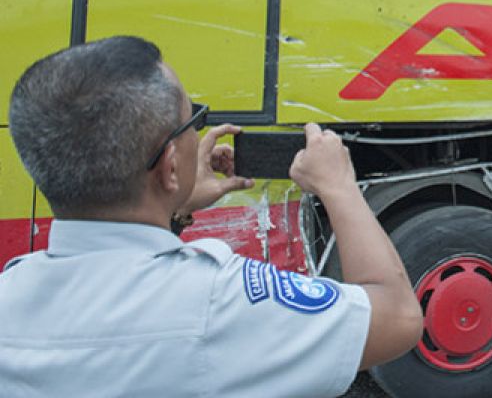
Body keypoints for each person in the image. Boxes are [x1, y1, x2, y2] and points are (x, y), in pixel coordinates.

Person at [0, 36, 424, 397]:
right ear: (169, 164)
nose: (198, 134)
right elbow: (397, 318)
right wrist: (340, 187)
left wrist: (174, 206)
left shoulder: (11, 294)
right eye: (193, 121)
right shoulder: (221, 302)